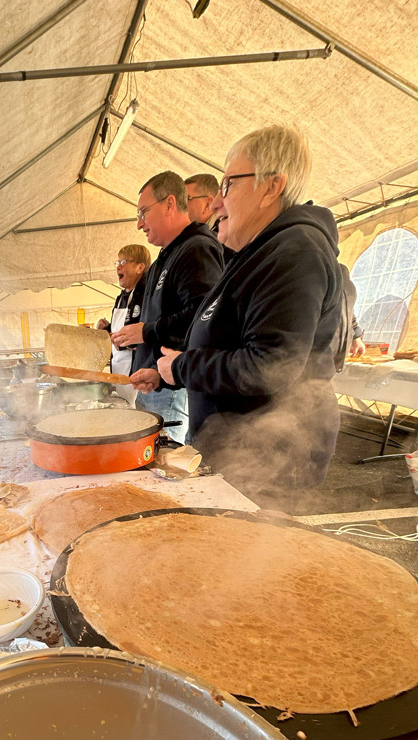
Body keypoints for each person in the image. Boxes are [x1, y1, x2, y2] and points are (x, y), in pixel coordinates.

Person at [132, 125, 342, 510]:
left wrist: (182, 368)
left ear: (270, 187)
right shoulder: (253, 254)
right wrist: (167, 373)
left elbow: (270, 366)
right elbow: (226, 342)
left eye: (228, 185)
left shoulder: (294, 251)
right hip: (236, 450)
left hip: (269, 461)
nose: (214, 204)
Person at [112, 171, 223, 442]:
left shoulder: (196, 249)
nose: (140, 224)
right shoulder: (168, 254)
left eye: (143, 213)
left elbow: (202, 316)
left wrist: (147, 332)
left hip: (173, 388)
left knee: (166, 467)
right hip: (157, 383)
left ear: (170, 204)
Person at [96, 244, 151, 405]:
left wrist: (121, 339)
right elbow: (121, 328)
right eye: (117, 263)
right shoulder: (121, 297)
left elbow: (143, 331)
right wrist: (107, 329)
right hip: (119, 369)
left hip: (139, 373)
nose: (118, 267)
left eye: (124, 262)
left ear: (140, 267)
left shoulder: (147, 295)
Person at [334, 263, 365, 369]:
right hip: (313, 355)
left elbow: (348, 309)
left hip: (331, 355)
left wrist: (356, 337)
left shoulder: (341, 270)